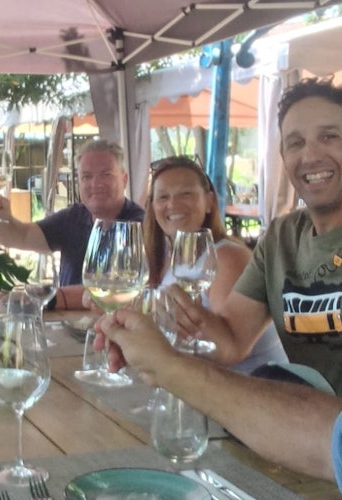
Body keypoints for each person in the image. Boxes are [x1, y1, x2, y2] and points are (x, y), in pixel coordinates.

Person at [162, 77, 342, 396]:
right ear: (283, 156)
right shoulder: (280, 238)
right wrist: (156, 319)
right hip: (303, 417)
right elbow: (231, 342)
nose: (311, 155)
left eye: (329, 136)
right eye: (295, 142)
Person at [97, 309, 342, 490]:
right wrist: (165, 364)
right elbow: (331, 442)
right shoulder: (274, 253)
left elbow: (228, 346)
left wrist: (166, 366)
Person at [144, 155, 287, 373]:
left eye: (186, 194)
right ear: (153, 207)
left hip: (253, 384)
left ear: (210, 201)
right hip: (197, 380)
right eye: (163, 197)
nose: (173, 204)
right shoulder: (164, 258)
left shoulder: (228, 257)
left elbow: (226, 349)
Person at [0, 138, 144, 310]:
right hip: (66, 321)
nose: (95, 184)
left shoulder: (139, 225)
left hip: (115, 323)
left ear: (124, 179)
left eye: (106, 175)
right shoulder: (74, 216)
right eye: (87, 176)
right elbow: (22, 237)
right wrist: (0, 216)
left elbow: (120, 290)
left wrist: (47, 297)